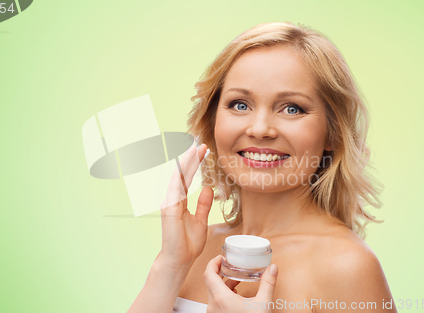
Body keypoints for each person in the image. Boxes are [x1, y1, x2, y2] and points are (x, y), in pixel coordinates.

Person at [128, 21, 397, 313]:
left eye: (292, 108)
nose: (260, 129)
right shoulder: (193, 249)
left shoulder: (346, 266)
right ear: (213, 121)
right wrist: (170, 265)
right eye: (240, 104)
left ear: (332, 133)